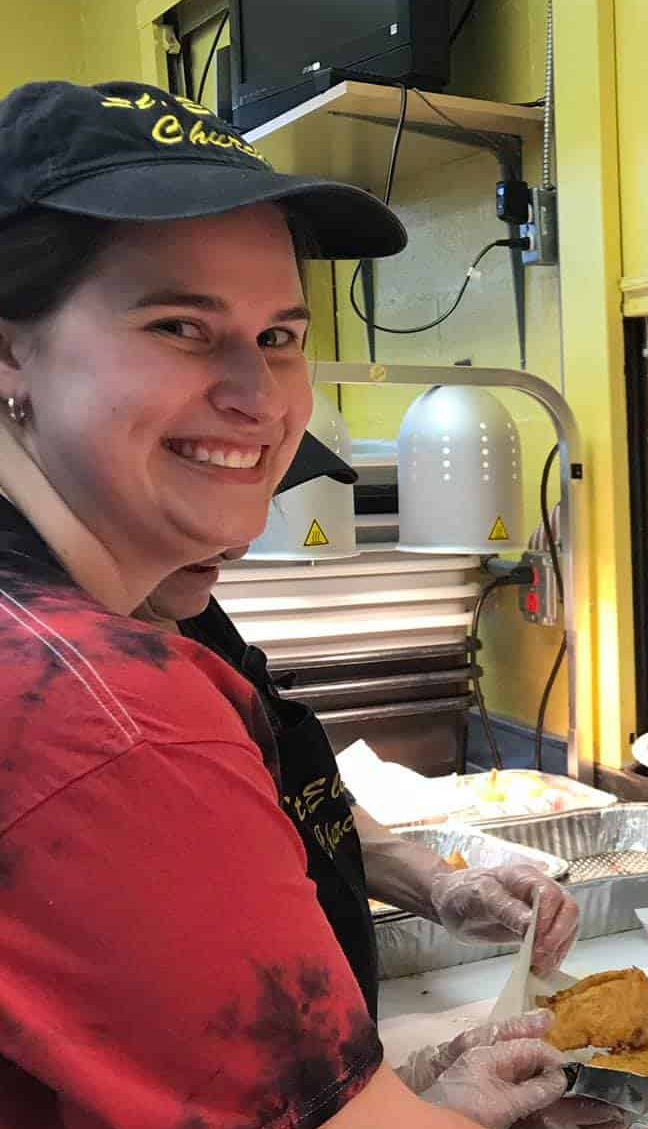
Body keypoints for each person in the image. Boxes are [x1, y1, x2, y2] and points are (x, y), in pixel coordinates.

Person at [0, 81, 648, 1129]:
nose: (260, 393)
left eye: (280, 334)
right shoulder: (73, 701)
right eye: (181, 326)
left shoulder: (43, 599)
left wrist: (375, 1101)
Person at [142, 433, 580, 1015]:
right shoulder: (80, 693)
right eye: (197, 497)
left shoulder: (192, 612)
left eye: (261, 491)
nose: (236, 545)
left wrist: (438, 884)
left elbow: (311, 809)